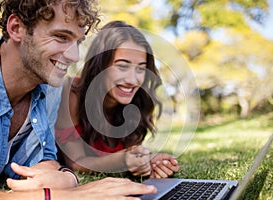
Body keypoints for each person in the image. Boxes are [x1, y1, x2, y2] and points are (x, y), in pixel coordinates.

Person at [0, 0, 156, 199]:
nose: (75, 56)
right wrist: (62, 196)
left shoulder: (50, 86)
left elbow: (47, 159)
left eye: (78, 42)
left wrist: (68, 178)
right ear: (17, 28)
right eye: (61, 37)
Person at [55, 21, 180, 178]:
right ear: (100, 65)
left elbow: (128, 156)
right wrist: (123, 161)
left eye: (141, 68)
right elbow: (76, 162)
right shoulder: (71, 92)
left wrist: (148, 162)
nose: (132, 80)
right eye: (122, 66)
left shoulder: (137, 101)